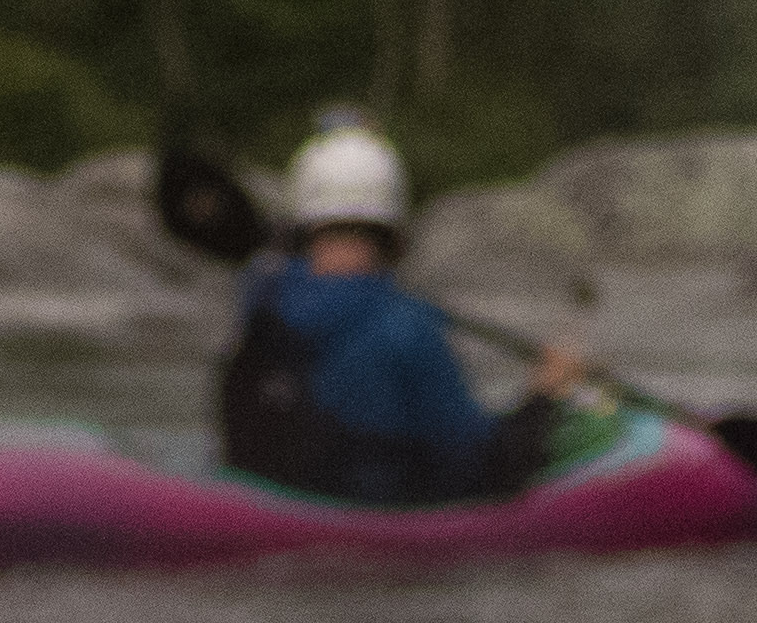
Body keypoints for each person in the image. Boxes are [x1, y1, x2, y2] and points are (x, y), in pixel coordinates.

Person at [217, 111, 588, 503]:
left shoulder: (260, 300)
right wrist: (545, 396)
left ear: (303, 226)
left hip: (270, 500)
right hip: (370, 514)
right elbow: (484, 468)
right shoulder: (408, 327)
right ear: (395, 235)